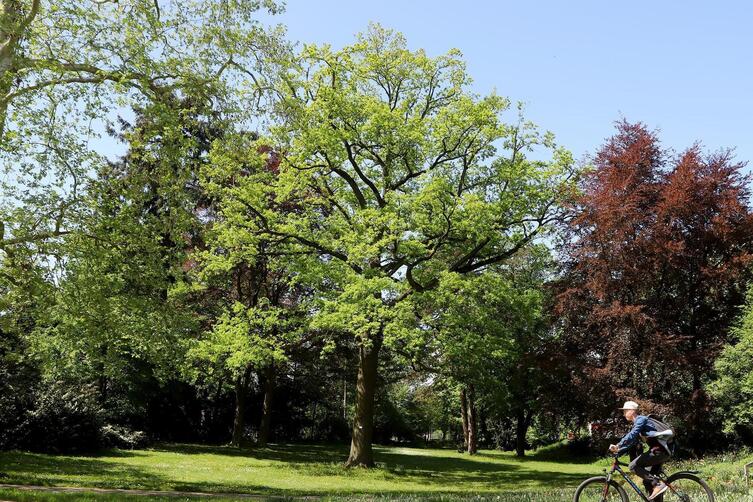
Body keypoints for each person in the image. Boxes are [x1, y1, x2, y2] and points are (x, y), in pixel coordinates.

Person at [609, 401, 674, 501]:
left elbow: (632, 434)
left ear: (632, 411)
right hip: (660, 452)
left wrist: (618, 445)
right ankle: (656, 492)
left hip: (660, 451)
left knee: (633, 466)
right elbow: (632, 443)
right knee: (647, 481)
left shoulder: (641, 419)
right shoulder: (639, 423)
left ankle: (657, 484)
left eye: (625, 411)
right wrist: (619, 451)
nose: (624, 414)